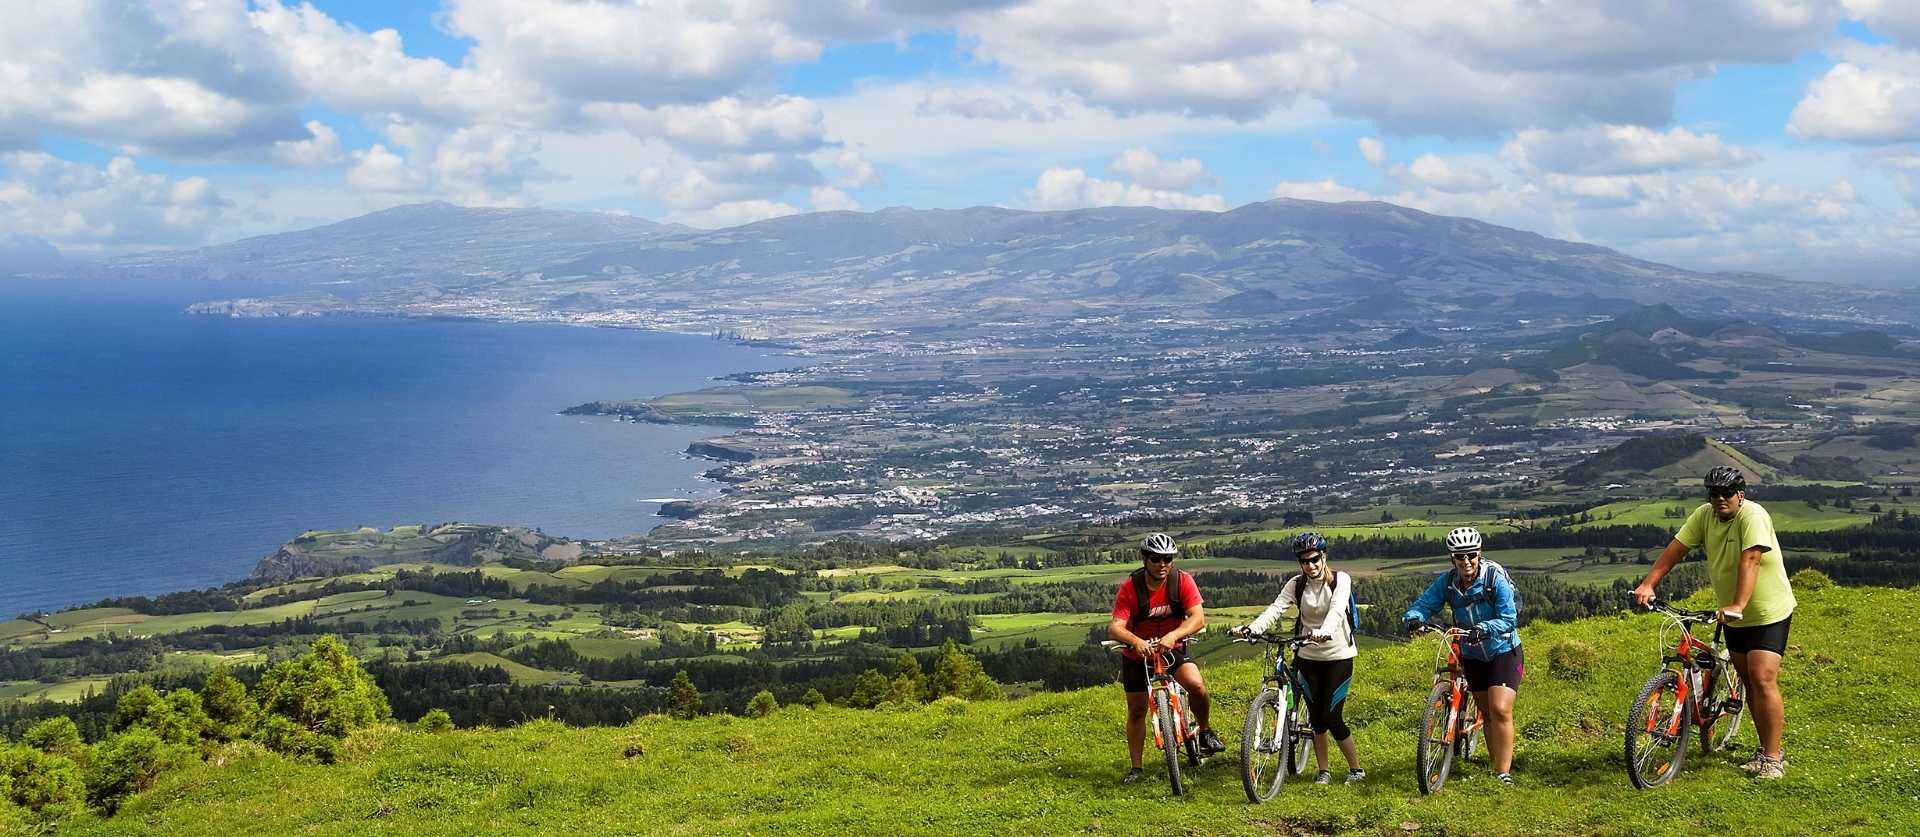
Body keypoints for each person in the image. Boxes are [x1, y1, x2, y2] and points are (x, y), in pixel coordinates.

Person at [1632, 466, 1796, 780]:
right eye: (1714, 494)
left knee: (1762, 679)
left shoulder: (1753, 516)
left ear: (1741, 495)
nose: (1720, 499)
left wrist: (1738, 605)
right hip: (1733, 617)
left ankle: (1773, 758)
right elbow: (1676, 550)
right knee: (1747, 680)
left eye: (1727, 494)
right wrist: (1649, 583)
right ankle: (1763, 750)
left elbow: (1751, 558)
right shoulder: (1704, 516)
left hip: (1767, 612)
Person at [1231, 531, 1366, 784]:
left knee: (1332, 716)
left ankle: (1356, 769)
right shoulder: (1296, 584)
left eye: (1315, 559)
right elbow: (1276, 608)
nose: (1310, 565)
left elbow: (1337, 610)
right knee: (1316, 718)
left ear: (1324, 556)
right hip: (1306, 655)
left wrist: (1325, 632)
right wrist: (1253, 628)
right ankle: (1323, 771)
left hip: (1338, 656)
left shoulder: (1340, 580)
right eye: (1304, 561)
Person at [1402, 525, 1523, 786]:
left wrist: (1484, 628)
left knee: (1500, 708)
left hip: (1502, 650)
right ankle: (1496, 768)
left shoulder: (1494, 579)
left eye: (1471, 555)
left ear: (1479, 554)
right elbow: (1424, 604)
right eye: (1460, 556)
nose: (1466, 561)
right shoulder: (1447, 583)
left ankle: (1504, 773)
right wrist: (1414, 618)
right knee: (1486, 712)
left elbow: (1509, 618)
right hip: (1471, 654)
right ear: (1452, 558)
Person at [1109, 532, 1222, 784]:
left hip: (1172, 648)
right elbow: (1116, 626)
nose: (1162, 564)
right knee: (1137, 709)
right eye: (1156, 559)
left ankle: (1204, 731)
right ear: (1144, 559)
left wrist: (1175, 635)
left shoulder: (1181, 581)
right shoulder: (1131, 587)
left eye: (1167, 559)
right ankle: (1136, 768)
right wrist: (1136, 641)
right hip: (1138, 655)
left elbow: (1198, 617)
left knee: (1196, 685)